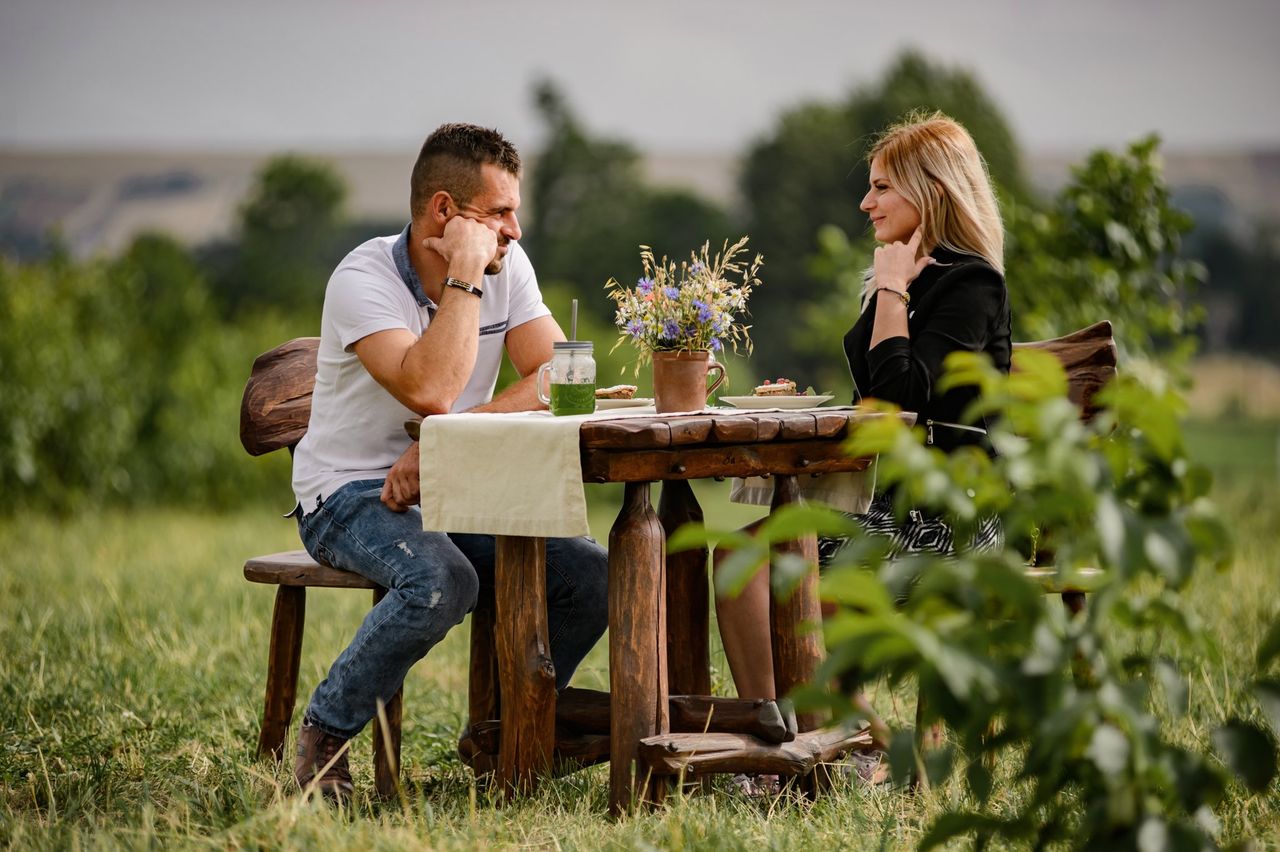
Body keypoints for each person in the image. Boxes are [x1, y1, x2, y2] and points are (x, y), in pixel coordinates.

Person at [289, 123, 609, 800]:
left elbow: (558, 374)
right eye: (498, 214)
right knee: (443, 580)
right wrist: (464, 277)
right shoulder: (363, 278)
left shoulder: (508, 264)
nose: (515, 230)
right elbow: (429, 388)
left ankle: (507, 733)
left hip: (453, 480)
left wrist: (444, 444)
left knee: (591, 574)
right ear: (444, 212)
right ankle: (323, 737)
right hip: (348, 495)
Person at [714, 112, 1011, 782]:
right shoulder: (907, 274)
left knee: (797, 577)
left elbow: (906, 395)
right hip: (887, 507)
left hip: (949, 519)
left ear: (932, 192)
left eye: (882, 188)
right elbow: (884, 397)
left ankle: (828, 756)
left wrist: (891, 287)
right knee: (738, 557)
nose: (865, 201)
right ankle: (779, 746)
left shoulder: (969, 285)